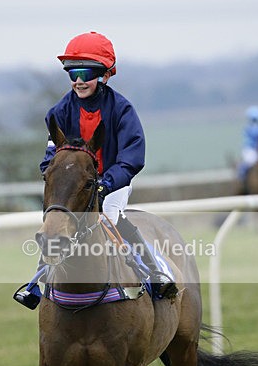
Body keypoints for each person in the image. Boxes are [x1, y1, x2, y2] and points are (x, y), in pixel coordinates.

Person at [15, 31, 178, 309]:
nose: (78, 80)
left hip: (113, 181)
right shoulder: (59, 112)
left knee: (110, 217)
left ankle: (153, 272)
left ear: (104, 74)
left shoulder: (122, 110)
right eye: (72, 73)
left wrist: (106, 183)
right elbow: (50, 157)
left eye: (86, 72)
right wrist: (58, 176)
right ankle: (38, 280)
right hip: (75, 184)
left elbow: (133, 157)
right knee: (55, 223)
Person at [238, 105, 258, 182]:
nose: (255, 120)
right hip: (251, 150)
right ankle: (243, 179)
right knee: (249, 162)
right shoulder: (248, 129)